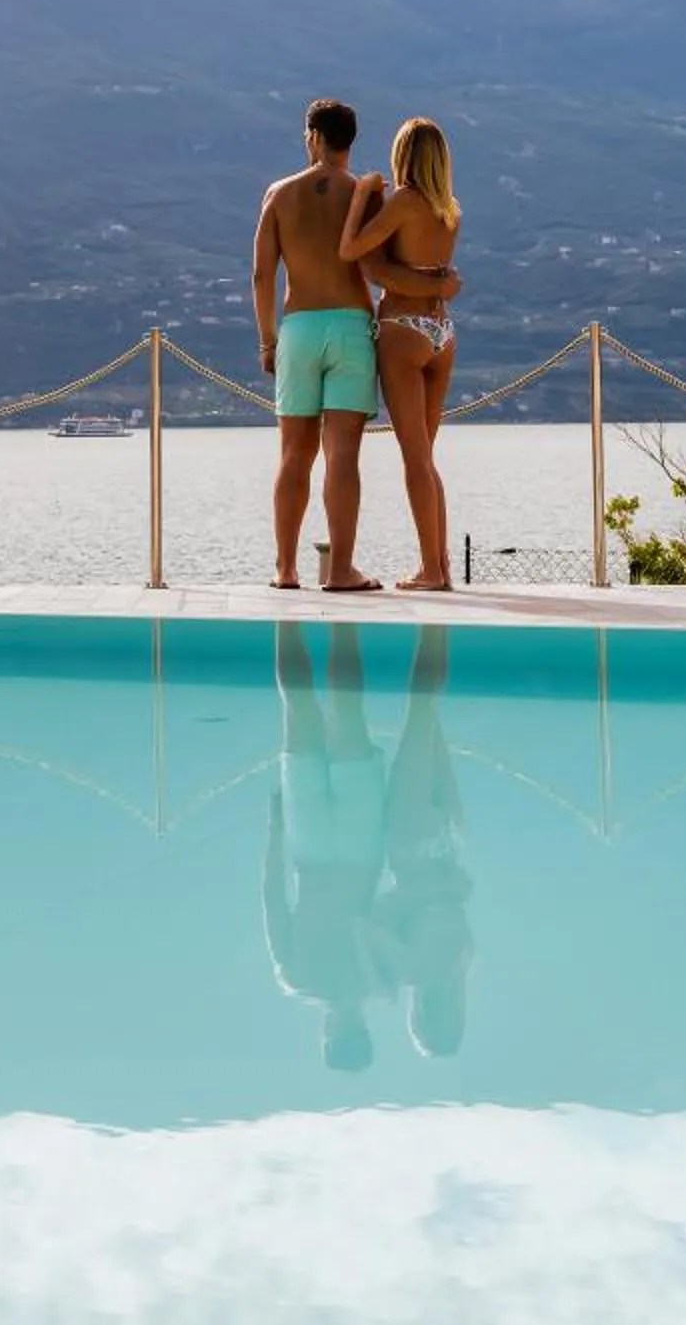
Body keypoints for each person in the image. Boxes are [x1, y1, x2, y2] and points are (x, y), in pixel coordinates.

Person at [252, 99, 457, 591]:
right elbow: (381, 263)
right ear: (351, 141)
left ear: (314, 137)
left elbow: (262, 273)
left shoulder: (279, 194)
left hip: (298, 325)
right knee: (343, 454)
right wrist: (438, 285)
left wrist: (267, 340)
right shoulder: (366, 196)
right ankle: (342, 570)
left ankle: (285, 569)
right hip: (352, 326)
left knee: (293, 455)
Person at [263, 622, 394, 1072]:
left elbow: (273, 903)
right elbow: (273, 900)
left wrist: (276, 833)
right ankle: (321, 618)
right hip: (328, 846)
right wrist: (277, 833)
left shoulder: (369, 982)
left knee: (317, 711)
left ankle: (300, 616)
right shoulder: (376, 981)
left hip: (334, 847)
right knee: (318, 710)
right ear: (329, 1036)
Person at [339, 116, 462, 592]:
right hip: (442, 332)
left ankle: (431, 571)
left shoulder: (403, 202)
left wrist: (361, 197)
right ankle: (441, 564)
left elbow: (352, 249)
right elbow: (428, 271)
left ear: (403, 156)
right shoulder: (450, 209)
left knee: (415, 459)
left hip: (403, 330)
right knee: (426, 459)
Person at [378, 625, 473, 1058]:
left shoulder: (463, 966)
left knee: (429, 714)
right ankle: (432, 628)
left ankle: (437, 630)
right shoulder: (408, 972)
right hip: (411, 840)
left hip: (449, 840)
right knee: (422, 712)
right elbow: (365, 921)